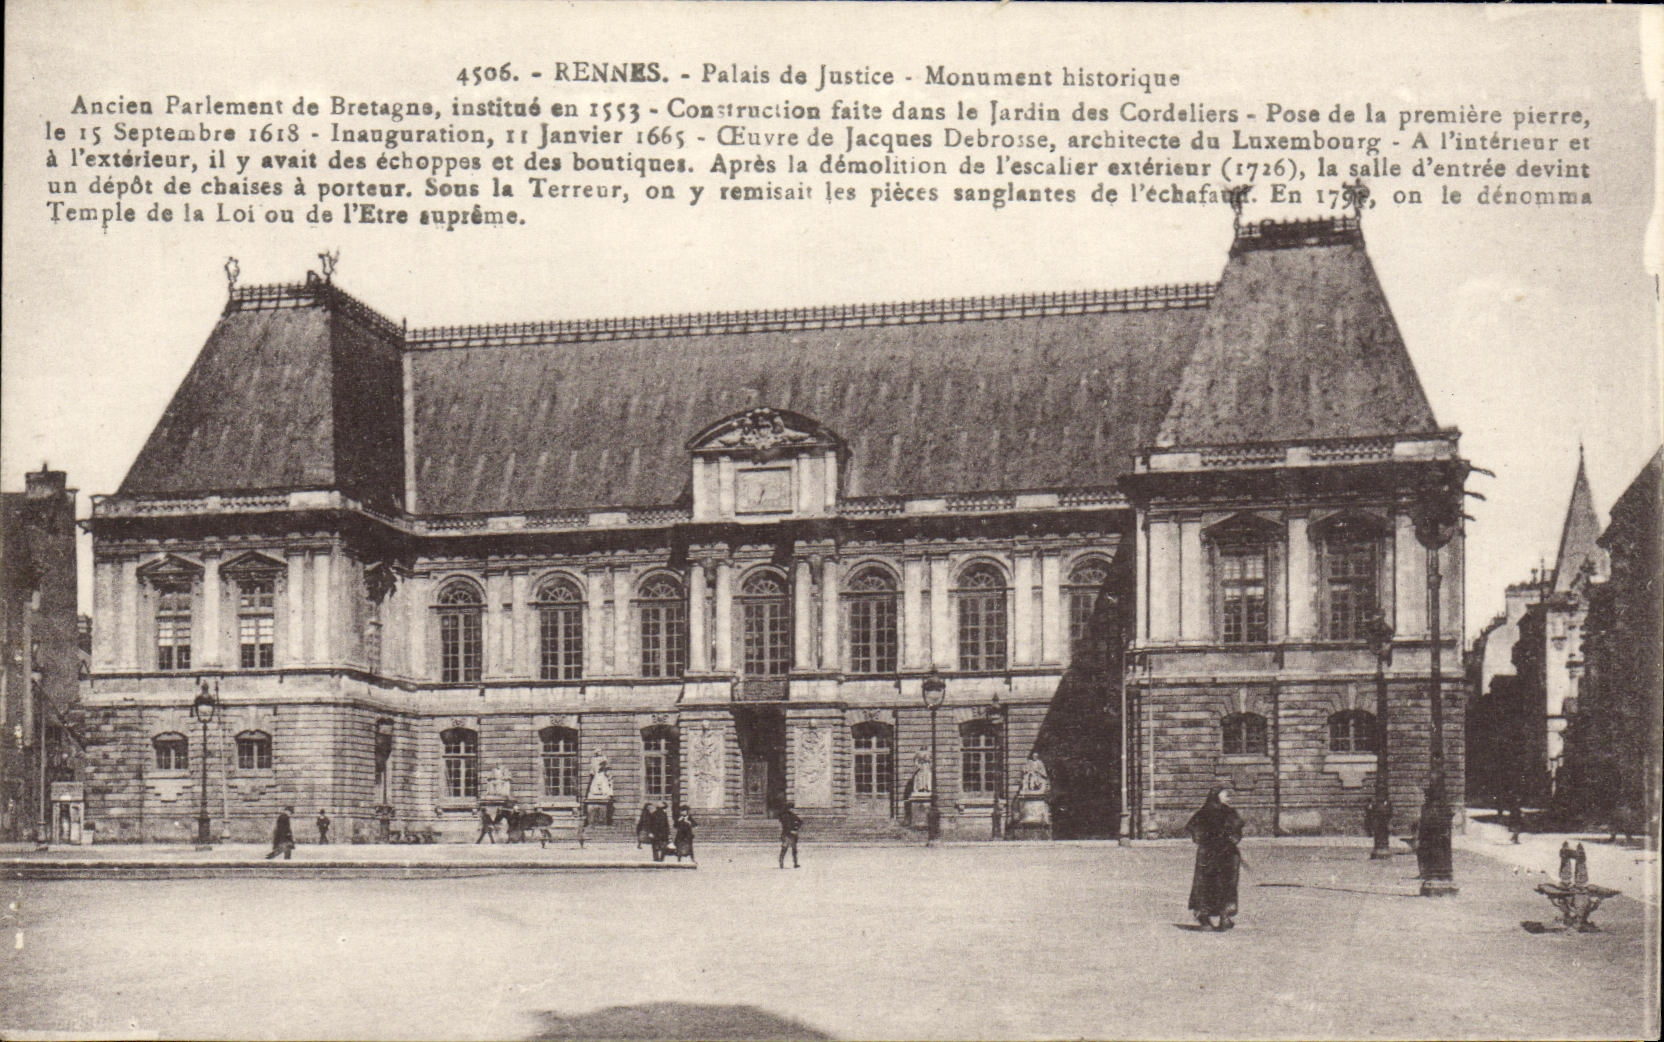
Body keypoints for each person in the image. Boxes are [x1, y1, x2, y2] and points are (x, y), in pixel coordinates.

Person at [1185, 787, 1243, 931]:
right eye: (1225, 795)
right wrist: (1229, 840)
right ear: (1216, 796)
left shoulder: (1203, 812)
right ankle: (1222, 916)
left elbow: (1194, 831)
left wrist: (1205, 841)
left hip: (1210, 853)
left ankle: (1210, 918)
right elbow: (1237, 833)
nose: (1228, 798)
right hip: (1224, 853)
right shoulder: (1228, 813)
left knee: (1208, 884)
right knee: (1223, 883)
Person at [778, 800, 803, 868]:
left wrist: (795, 828)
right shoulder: (785, 815)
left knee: (791, 849)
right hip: (788, 834)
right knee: (787, 848)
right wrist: (794, 829)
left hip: (790, 834)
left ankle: (793, 863)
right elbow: (786, 825)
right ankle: (782, 861)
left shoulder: (791, 815)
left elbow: (800, 821)